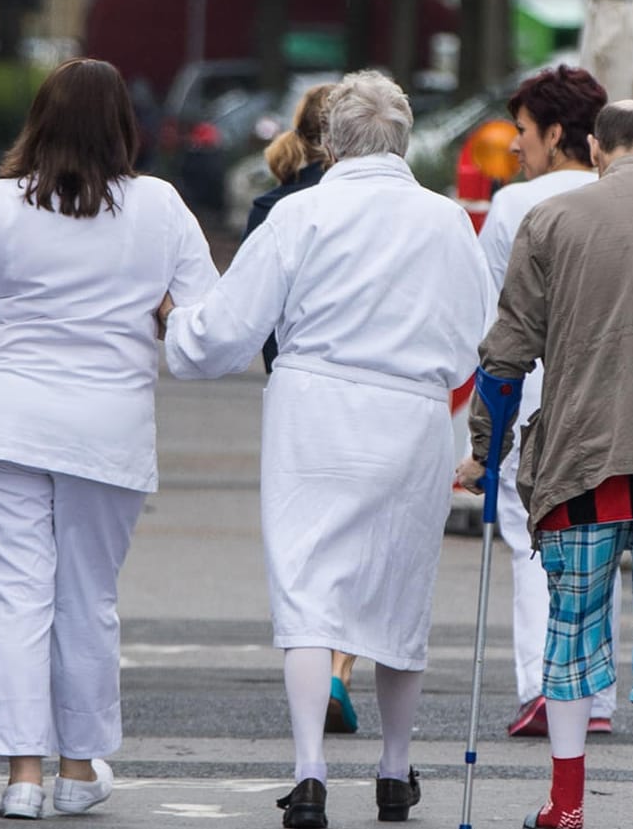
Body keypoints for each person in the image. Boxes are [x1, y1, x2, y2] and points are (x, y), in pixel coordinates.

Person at [160, 70, 494, 828]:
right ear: (403, 138)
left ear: (331, 141)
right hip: (409, 414)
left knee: (309, 593)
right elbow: (478, 332)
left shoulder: (300, 214)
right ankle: (393, 767)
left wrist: (179, 329)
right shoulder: (446, 222)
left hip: (314, 408)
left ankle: (309, 769)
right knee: (400, 594)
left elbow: (226, 331)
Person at [0, 58, 219, 820]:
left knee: (17, 598)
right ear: (123, 127)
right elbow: (203, 318)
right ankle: (80, 768)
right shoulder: (161, 207)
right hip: (106, 429)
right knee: (87, 600)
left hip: (0, 425)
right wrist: (159, 305)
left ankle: (22, 778)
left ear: (37, 120)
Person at [461, 100, 633, 829]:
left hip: (580, 457)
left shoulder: (549, 221)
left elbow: (506, 350)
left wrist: (485, 448)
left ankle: (566, 804)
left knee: (572, 628)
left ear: (592, 146)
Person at [469, 65, 618, 738]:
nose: (516, 147)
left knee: (529, 536)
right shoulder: (621, 197)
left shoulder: (514, 206)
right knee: (605, 531)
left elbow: (491, 316)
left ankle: (542, 684)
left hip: (537, 386)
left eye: (524, 133)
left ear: (556, 133)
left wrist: (478, 434)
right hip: (616, 385)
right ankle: (599, 694)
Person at [244, 84, 362, 737]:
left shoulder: (273, 206)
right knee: (360, 540)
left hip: (296, 389)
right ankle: (342, 667)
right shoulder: (381, 206)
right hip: (372, 393)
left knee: (309, 545)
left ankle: (316, 675)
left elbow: (255, 310)